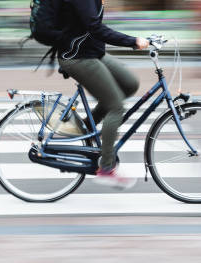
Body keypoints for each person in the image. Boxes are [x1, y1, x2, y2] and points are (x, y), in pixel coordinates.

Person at [56, 0, 149, 188]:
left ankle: (86, 127)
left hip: (92, 53)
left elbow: (92, 27)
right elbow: (96, 28)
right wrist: (132, 41)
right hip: (77, 58)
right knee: (116, 107)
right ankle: (106, 167)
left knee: (130, 84)